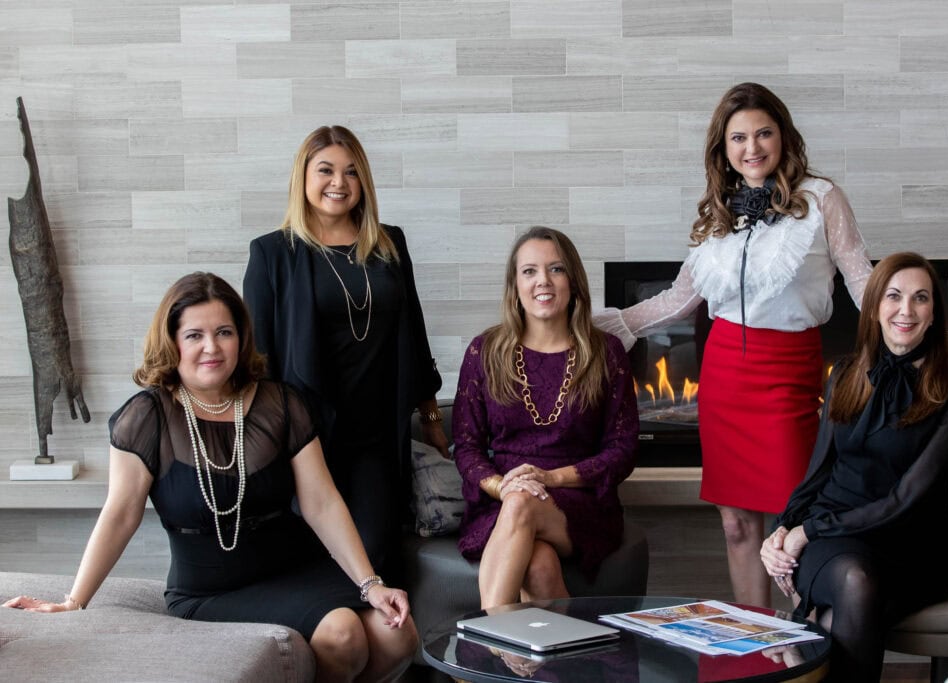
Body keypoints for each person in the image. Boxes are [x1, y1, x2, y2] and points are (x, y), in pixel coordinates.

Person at [3, 272, 419, 682]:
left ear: (241, 338)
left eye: (224, 332)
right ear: (172, 342)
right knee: (343, 633)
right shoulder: (147, 416)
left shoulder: (282, 403)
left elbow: (322, 502)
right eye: (194, 335)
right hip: (210, 590)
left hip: (296, 567)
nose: (211, 348)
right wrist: (74, 601)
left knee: (398, 637)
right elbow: (120, 514)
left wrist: (370, 584)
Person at [594, 82, 873, 607]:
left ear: (783, 137)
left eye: (763, 133)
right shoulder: (717, 216)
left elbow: (861, 278)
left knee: (794, 521)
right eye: (738, 137)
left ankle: (801, 650)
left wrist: (905, 325)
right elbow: (678, 301)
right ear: (723, 150)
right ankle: (753, 642)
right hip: (724, 376)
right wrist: (594, 328)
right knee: (736, 526)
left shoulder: (822, 199)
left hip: (788, 374)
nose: (753, 147)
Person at [760, 252, 948, 682]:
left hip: (913, 546)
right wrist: (782, 530)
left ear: (934, 312)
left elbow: (908, 498)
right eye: (894, 296)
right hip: (836, 542)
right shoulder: (845, 373)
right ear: (875, 305)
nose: (906, 310)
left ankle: (808, 636)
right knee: (853, 581)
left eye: (921, 298)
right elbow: (818, 472)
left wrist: (809, 532)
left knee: (840, 608)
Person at [243, 126, 445, 579]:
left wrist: (431, 419)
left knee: (375, 554)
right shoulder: (272, 254)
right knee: (316, 557)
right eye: (326, 170)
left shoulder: (389, 244)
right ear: (304, 178)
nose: (339, 182)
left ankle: (379, 645)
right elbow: (258, 360)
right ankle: (333, 643)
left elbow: (414, 331)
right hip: (306, 438)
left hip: (375, 435)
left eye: (351, 172)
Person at [453, 226, 639, 609]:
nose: (543, 281)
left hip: (580, 502)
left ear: (573, 281)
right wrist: (502, 486)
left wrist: (550, 479)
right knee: (538, 565)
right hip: (501, 500)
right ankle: (571, 660)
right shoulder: (484, 351)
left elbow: (623, 449)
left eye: (556, 269)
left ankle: (485, 649)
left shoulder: (607, 352)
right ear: (514, 285)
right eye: (529, 271)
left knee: (522, 502)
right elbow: (467, 446)